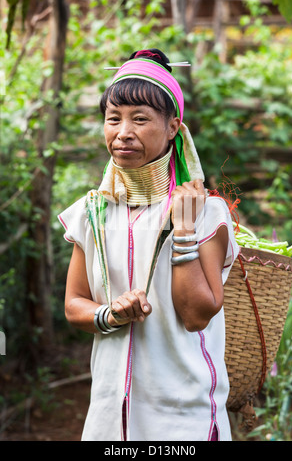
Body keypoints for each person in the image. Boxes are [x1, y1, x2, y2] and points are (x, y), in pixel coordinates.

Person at [58, 49, 239, 441]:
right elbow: (74, 304)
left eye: (140, 119)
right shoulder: (92, 212)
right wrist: (111, 314)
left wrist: (184, 229)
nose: (123, 131)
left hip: (183, 416)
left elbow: (196, 315)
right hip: (109, 414)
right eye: (113, 118)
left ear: (174, 127)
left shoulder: (205, 212)